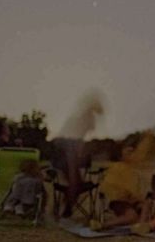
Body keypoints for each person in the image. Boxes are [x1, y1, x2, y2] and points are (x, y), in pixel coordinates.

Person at [50, 88, 104, 218]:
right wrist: (73, 164)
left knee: (77, 185)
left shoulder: (85, 120)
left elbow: (81, 142)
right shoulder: (77, 121)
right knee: (75, 183)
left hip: (69, 154)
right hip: (64, 155)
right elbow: (69, 145)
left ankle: (64, 209)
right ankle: (64, 212)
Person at [96, 132, 155, 231]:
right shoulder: (118, 167)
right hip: (119, 200)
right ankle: (104, 224)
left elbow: (142, 151)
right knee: (132, 216)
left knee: (146, 204)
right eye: (128, 152)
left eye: (132, 152)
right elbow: (114, 187)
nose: (131, 155)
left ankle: (140, 226)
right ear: (120, 155)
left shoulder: (130, 166)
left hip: (131, 200)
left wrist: (148, 135)